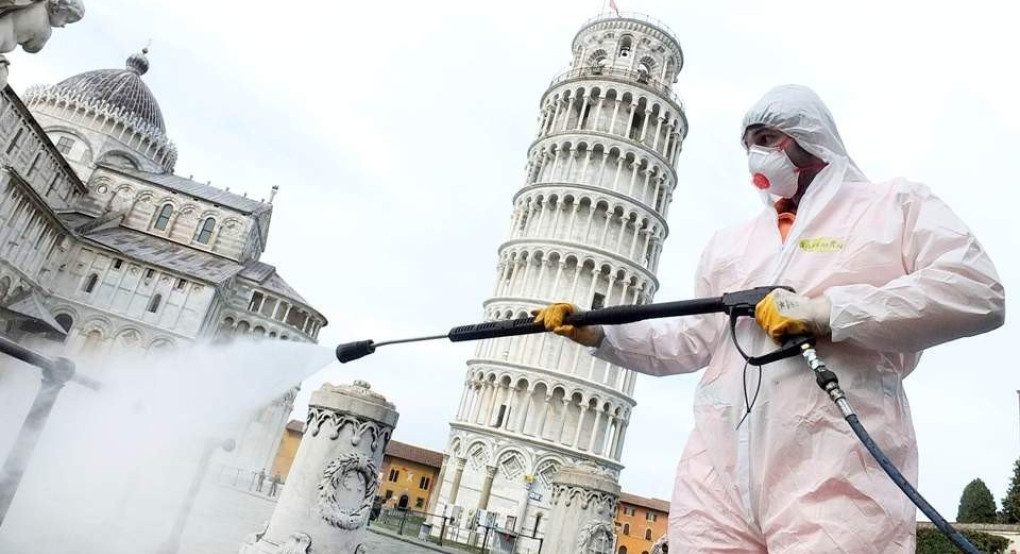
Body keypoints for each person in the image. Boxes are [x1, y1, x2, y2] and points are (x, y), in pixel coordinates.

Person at [533, 85, 1005, 553]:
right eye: (748, 145)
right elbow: (689, 339)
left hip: (834, 471)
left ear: (809, 136)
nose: (756, 155)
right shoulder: (732, 243)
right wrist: (600, 332)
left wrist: (827, 312)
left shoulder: (892, 207)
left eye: (766, 139)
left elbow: (974, 289)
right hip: (718, 475)